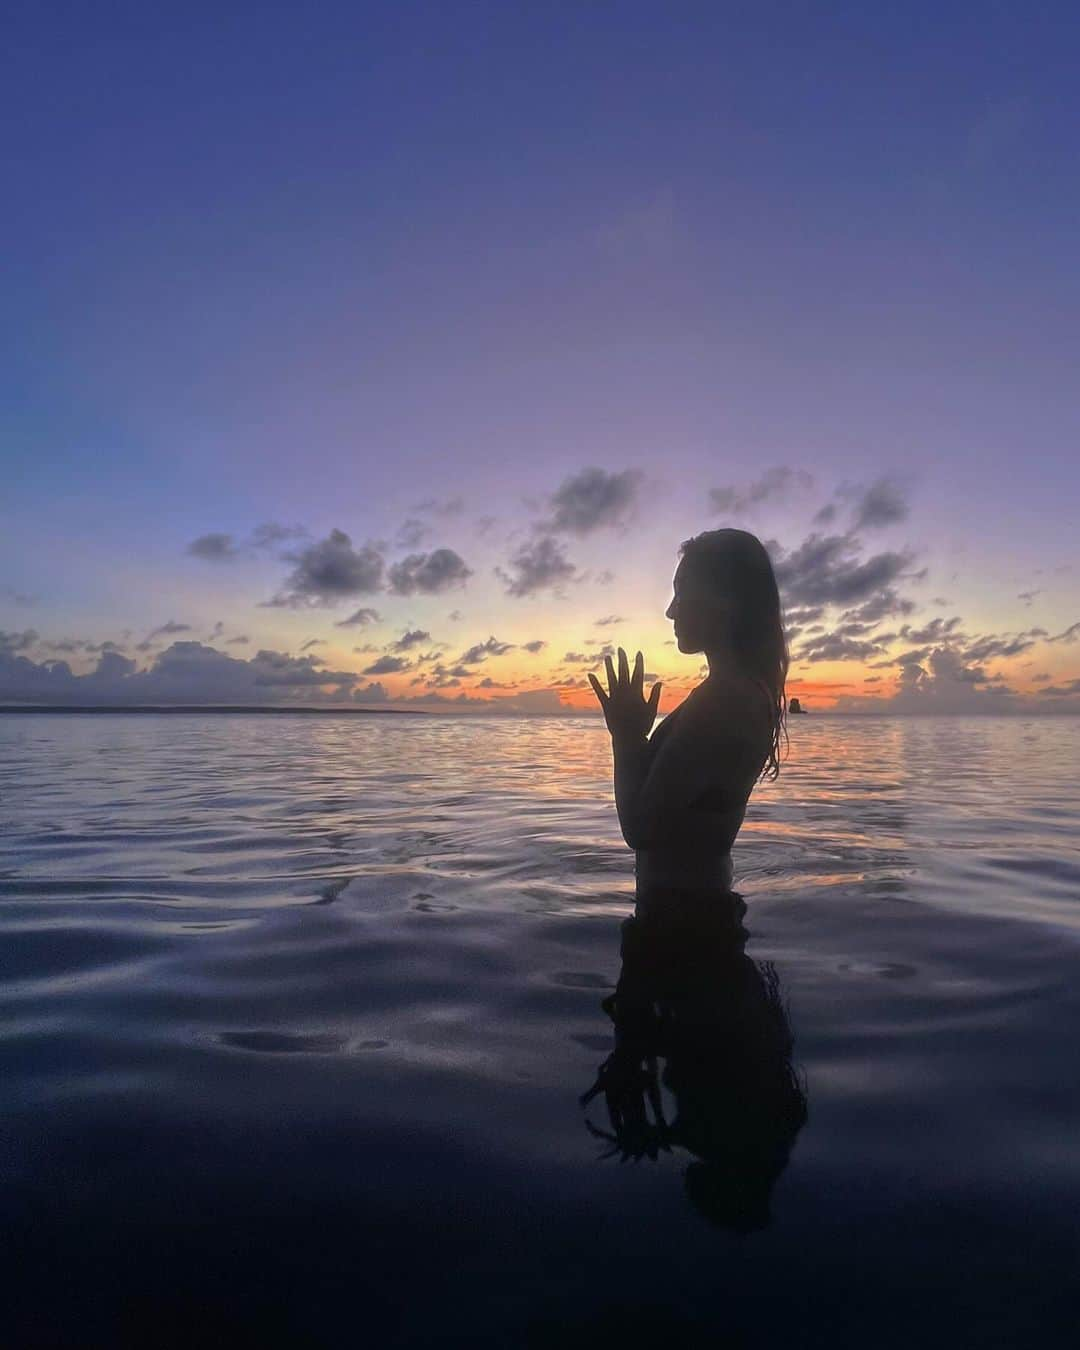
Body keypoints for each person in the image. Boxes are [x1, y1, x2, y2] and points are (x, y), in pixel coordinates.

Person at [588, 528, 788, 901]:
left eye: (682, 592)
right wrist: (635, 737)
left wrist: (627, 737)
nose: (670, 610)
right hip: (698, 916)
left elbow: (641, 828)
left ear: (726, 600)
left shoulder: (726, 701)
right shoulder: (739, 693)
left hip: (684, 931)